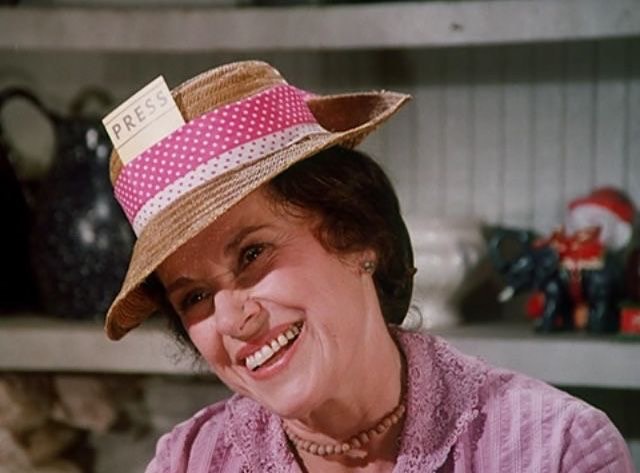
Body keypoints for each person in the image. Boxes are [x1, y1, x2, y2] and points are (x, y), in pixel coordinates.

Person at [103, 61, 634, 472]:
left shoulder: (555, 450)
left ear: (357, 234)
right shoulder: (189, 461)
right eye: (194, 297)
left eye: (252, 254)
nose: (232, 319)